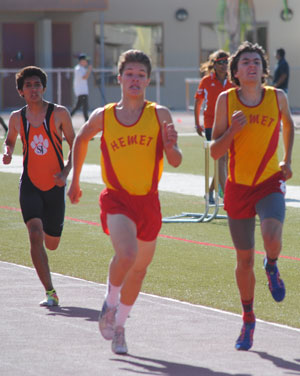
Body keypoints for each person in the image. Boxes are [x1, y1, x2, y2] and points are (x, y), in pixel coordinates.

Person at [68, 49, 182, 355]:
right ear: (119, 78)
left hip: (149, 202)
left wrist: (171, 146)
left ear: (148, 80)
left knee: (140, 270)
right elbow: (81, 138)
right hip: (117, 199)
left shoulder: (159, 114)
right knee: (127, 253)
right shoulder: (104, 115)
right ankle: (111, 300)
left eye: (141, 75)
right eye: (129, 74)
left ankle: (119, 327)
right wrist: (75, 180)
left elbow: (175, 160)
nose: (135, 79)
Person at [210, 41, 294, 351]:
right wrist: (232, 131)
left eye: (256, 61)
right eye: (245, 61)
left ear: (263, 68)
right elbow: (215, 150)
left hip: (269, 182)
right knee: (243, 259)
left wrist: (287, 160)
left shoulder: (277, 97)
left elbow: (288, 125)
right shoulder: (226, 100)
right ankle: (248, 320)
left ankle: (271, 265)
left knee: (272, 236)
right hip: (238, 188)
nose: (252, 65)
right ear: (235, 71)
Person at [2, 66, 75, 306]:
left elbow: (77, 147)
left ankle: (48, 228)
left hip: (55, 186)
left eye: (37, 85)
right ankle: (50, 293)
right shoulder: (16, 117)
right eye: (28, 86)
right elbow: (10, 139)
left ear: (44, 88)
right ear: (21, 91)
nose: (33, 89)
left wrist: (66, 172)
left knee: (51, 243)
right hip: (30, 184)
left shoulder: (59, 113)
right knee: (35, 235)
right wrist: (8, 152)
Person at [194, 50, 234, 203]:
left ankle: (209, 192)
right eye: (221, 62)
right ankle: (228, 196)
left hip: (229, 125)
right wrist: (197, 123)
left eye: (226, 62)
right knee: (221, 159)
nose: (224, 66)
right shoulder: (206, 81)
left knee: (225, 160)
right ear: (215, 65)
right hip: (211, 124)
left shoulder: (232, 82)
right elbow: (198, 102)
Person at [70, 53, 93, 121]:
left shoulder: (82, 68)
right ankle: (87, 121)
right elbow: (84, 77)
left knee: (78, 106)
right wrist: (89, 69)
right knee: (84, 106)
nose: (86, 62)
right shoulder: (78, 69)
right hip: (81, 91)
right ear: (81, 61)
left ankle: (69, 116)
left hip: (83, 91)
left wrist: (88, 70)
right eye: (85, 60)